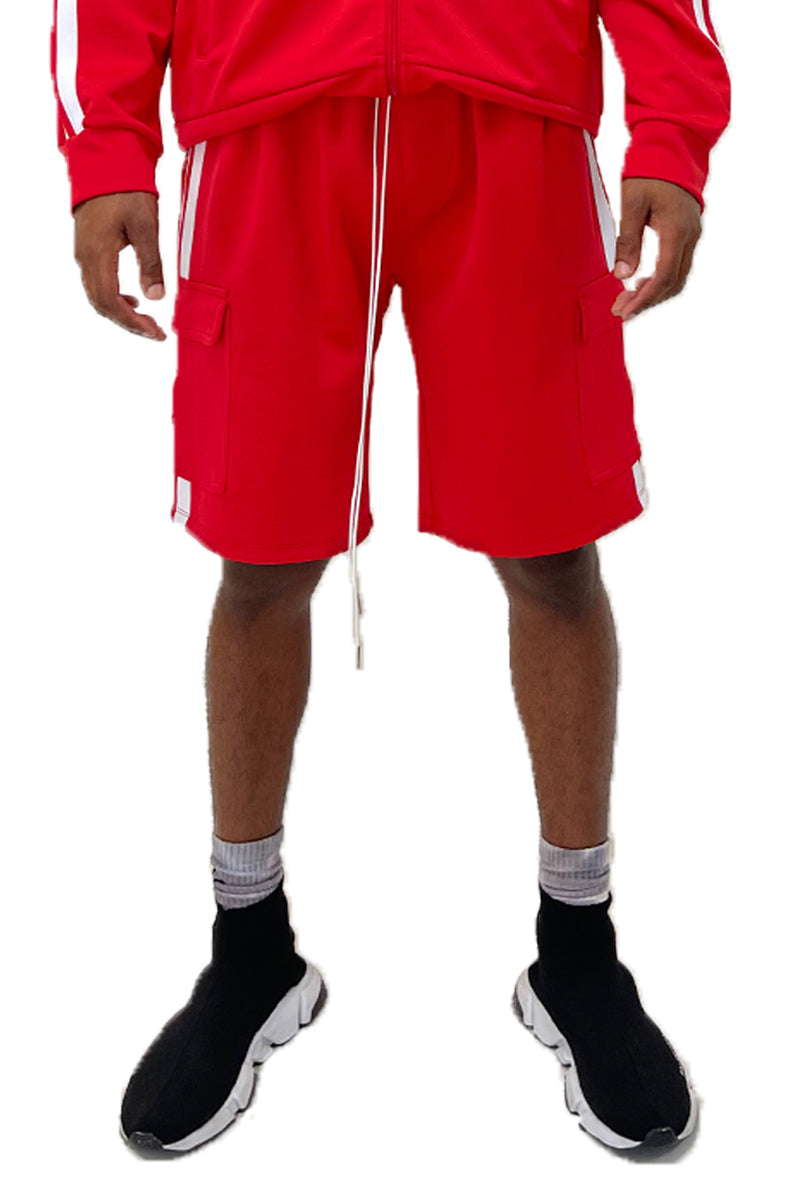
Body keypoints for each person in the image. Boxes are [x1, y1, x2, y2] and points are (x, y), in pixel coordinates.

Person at [50, 0, 730, 1156]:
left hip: (509, 113)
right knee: (261, 559)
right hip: (266, 119)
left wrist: (668, 131)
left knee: (553, 551)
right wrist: (107, 149)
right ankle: (249, 947)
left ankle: (576, 949)